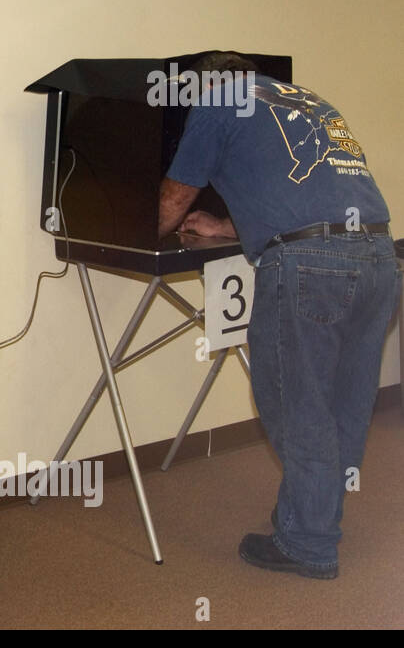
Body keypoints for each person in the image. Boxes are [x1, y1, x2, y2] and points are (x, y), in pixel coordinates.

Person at [158, 51, 398, 580]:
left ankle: (308, 543)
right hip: (380, 256)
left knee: (296, 399)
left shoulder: (218, 101)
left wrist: (146, 229)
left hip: (311, 266)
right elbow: (303, 193)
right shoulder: (308, 101)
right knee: (345, 399)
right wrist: (227, 228)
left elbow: (176, 195)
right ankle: (316, 512)